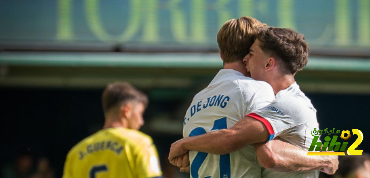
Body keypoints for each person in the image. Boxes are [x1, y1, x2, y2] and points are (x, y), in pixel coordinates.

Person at [170, 18, 338, 177]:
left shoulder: (198, 99)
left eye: (251, 54)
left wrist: (186, 145)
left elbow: (194, 159)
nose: (246, 59)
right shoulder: (257, 89)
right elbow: (266, 152)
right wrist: (323, 157)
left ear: (221, 53)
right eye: (249, 52)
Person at [62, 82, 162, 178]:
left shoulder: (75, 153)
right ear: (127, 110)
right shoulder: (140, 143)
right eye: (140, 113)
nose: (141, 121)